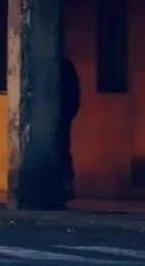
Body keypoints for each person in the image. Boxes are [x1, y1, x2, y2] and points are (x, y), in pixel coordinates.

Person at [57, 53, 82, 203]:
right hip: (62, 114)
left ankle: (64, 185)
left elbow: (73, 92)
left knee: (62, 149)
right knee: (63, 149)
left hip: (61, 114)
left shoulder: (62, 66)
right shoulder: (65, 65)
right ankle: (64, 185)